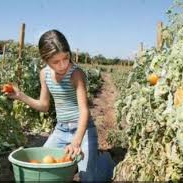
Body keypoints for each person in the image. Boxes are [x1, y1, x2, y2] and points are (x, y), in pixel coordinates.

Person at [8, 29, 115, 182]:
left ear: (69, 53)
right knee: (43, 166)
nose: (63, 64)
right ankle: (81, 161)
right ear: (45, 61)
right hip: (61, 130)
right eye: (56, 62)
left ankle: (105, 160)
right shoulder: (44, 75)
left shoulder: (76, 74)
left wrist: (76, 142)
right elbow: (44, 106)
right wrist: (20, 96)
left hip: (83, 131)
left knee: (89, 179)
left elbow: (84, 110)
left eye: (66, 58)